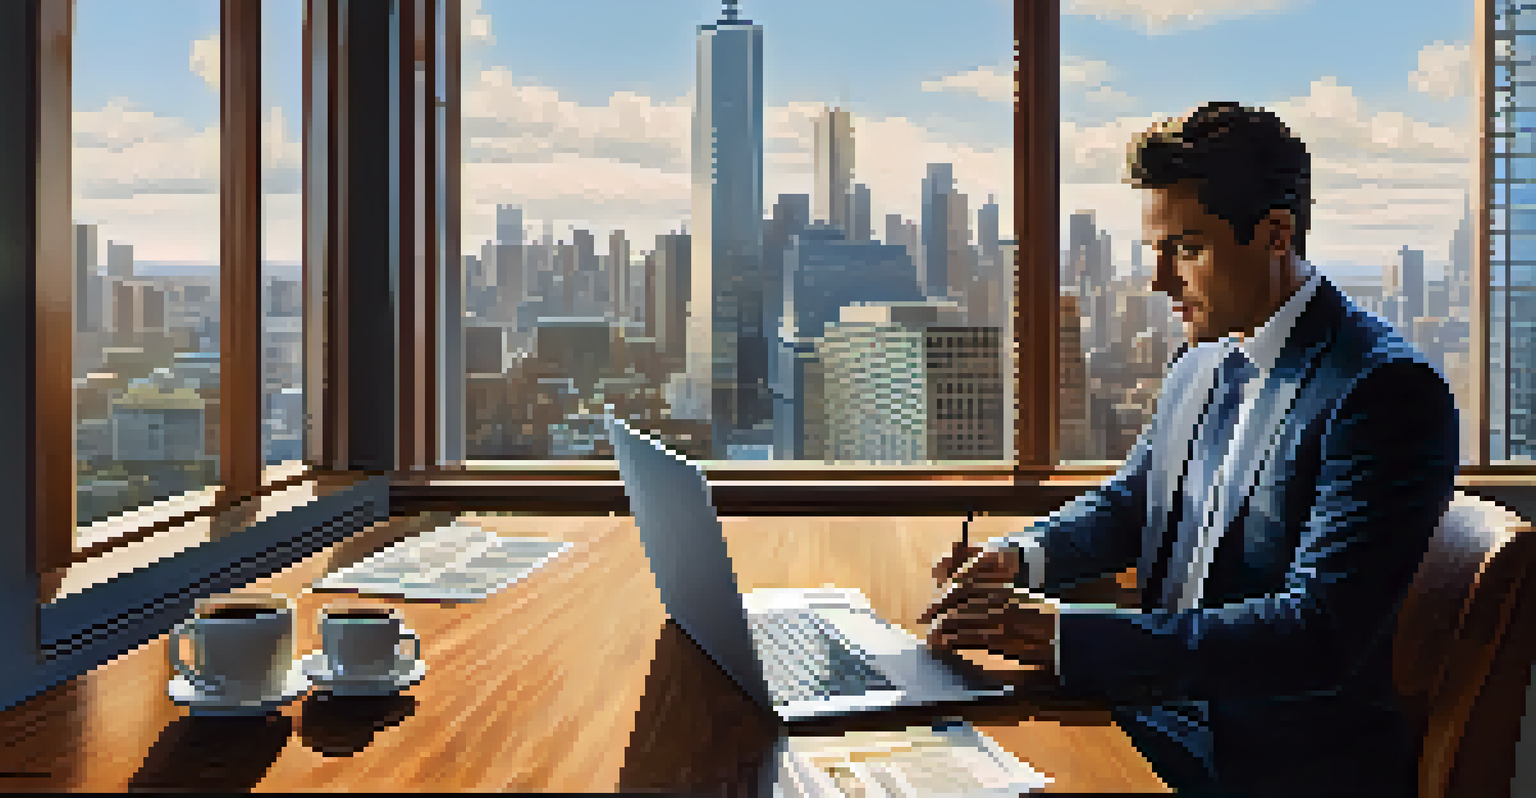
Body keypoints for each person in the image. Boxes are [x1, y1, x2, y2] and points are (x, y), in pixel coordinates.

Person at [919, 101, 1457, 796]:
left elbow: (1314, 632)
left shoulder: (1381, 391)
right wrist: (1021, 557)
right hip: (1153, 711)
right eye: (1156, 250)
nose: (1159, 282)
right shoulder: (1203, 356)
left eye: (1187, 249)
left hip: (1265, 765)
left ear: (1274, 234)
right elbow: (1132, 503)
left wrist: (1064, 637)